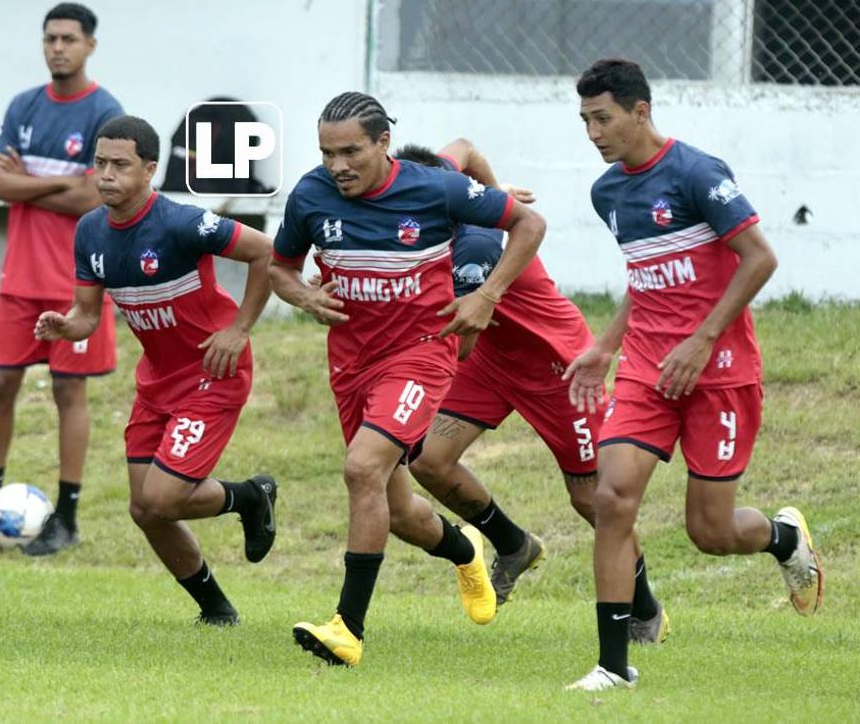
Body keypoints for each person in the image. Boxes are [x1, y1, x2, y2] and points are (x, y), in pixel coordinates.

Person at [564, 59, 822, 691]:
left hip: (721, 373)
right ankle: (613, 665)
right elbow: (649, 278)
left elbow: (760, 258)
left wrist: (704, 340)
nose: (593, 133)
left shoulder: (697, 173)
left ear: (641, 111)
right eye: (584, 121)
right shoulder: (608, 192)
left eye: (603, 118)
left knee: (710, 531)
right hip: (648, 371)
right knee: (611, 498)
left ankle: (784, 538)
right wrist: (605, 345)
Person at [270, 92, 546, 667]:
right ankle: (465, 549)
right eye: (327, 153)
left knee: (362, 467)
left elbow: (528, 223)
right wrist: (303, 295)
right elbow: (280, 267)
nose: (338, 165)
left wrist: (487, 296)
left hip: (421, 355)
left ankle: (347, 629)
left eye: (350, 151)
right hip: (351, 364)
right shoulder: (310, 195)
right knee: (394, 511)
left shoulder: (433, 188)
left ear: (382, 144)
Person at [395, 142, 668, 643]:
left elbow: (458, 342)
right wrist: (494, 190)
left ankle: (645, 609)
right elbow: (466, 148)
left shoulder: (473, 249)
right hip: (493, 364)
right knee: (429, 459)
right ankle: (513, 544)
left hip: (555, 368)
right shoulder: (432, 180)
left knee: (592, 500)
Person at [34, 115, 277, 625]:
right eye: (99, 163)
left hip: (213, 373)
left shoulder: (180, 223)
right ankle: (216, 611)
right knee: (144, 510)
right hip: (157, 381)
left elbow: (263, 252)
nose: (106, 175)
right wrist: (65, 325)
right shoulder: (90, 231)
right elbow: (85, 314)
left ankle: (251, 497)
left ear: (149, 170)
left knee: (163, 497)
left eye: (120, 165)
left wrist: (239, 329)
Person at [0, 2, 124, 556]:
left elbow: (93, 195)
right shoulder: (24, 106)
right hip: (21, 278)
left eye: (68, 38)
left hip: (77, 281)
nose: (57, 47)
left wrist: (26, 179)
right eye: (50, 39)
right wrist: (47, 185)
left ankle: (68, 515)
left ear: (89, 45)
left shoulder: (104, 111)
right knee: (0, 385)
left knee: (69, 391)